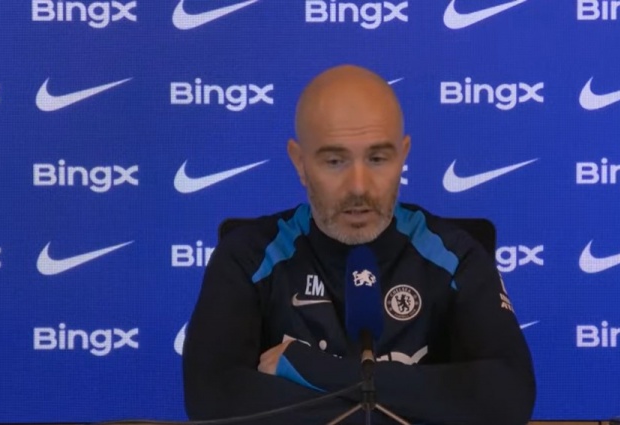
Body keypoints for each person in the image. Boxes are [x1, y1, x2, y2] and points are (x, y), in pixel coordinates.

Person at [182, 64, 536, 425]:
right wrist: (419, 402)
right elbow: (212, 403)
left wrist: (309, 369)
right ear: (300, 162)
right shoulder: (249, 256)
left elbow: (508, 399)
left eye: (378, 159)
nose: (359, 186)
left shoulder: (455, 256)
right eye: (335, 161)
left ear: (403, 155)